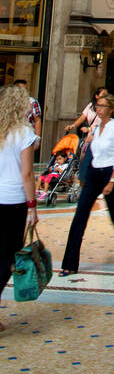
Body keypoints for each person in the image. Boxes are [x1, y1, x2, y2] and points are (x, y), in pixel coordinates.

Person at [60, 92, 114, 276]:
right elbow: (91, 154)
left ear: (111, 109)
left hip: (110, 174)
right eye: (97, 105)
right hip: (94, 175)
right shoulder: (96, 129)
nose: (98, 108)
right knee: (80, 216)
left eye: (102, 106)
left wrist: (112, 181)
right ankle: (70, 264)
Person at [0, 85, 38, 329]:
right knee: (9, 257)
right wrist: (33, 206)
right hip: (13, 201)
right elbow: (27, 174)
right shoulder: (24, 132)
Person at [13, 80, 41, 149]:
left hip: (27, 137)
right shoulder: (10, 102)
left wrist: (37, 139)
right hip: (12, 136)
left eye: (25, 89)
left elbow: (37, 120)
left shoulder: (32, 102)